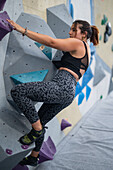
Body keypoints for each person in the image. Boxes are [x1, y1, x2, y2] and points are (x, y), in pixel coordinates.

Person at [7, 19, 99, 166]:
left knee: (18, 92)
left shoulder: (79, 43)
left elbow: (52, 42)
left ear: (84, 34)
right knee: (41, 121)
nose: (70, 32)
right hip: (69, 92)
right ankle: (34, 155)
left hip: (62, 85)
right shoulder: (86, 50)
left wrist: (22, 30)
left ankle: (36, 131)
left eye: (74, 30)